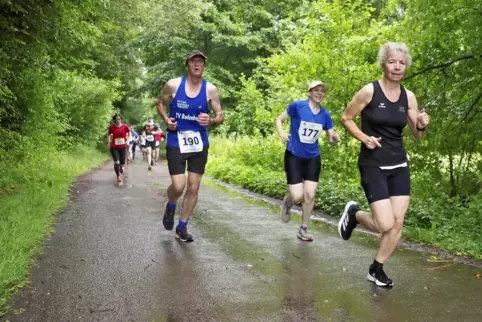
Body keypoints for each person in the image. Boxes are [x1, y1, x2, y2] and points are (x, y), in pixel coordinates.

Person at [338, 42, 430, 287]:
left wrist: (422, 124)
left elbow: (417, 135)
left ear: (406, 66)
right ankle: (355, 215)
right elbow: (346, 118)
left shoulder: (408, 96)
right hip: (373, 163)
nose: (397, 67)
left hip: (398, 164)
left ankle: (376, 269)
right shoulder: (369, 91)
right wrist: (364, 138)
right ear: (383, 64)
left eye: (401, 62)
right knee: (385, 224)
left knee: (397, 222)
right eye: (392, 62)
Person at [157, 50, 224, 242]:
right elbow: (160, 103)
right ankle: (170, 204)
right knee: (179, 186)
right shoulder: (174, 85)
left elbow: (220, 115)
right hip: (176, 140)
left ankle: (182, 226)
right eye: (193, 61)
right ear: (187, 65)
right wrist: (165, 119)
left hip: (198, 143)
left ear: (204, 66)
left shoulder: (210, 89)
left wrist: (211, 120)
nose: (197, 64)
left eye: (200, 62)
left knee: (193, 188)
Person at [275, 81, 340, 241]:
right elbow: (279, 120)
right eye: (316, 90)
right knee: (297, 196)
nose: (319, 93)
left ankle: (303, 229)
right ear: (309, 92)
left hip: (313, 158)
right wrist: (282, 133)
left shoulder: (325, 115)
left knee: (310, 195)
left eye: (322, 91)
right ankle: (289, 201)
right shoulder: (298, 106)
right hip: (294, 155)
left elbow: (331, 137)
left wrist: (334, 138)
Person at [107, 113, 131, 185]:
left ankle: (121, 166)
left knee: (122, 162)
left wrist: (127, 140)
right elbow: (108, 134)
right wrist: (108, 142)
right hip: (114, 147)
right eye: (117, 119)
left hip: (123, 147)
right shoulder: (112, 128)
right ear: (114, 120)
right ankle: (118, 176)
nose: (118, 120)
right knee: (116, 162)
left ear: (121, 119)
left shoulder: (125, 126)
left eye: (119, 119)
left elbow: (129, 133)